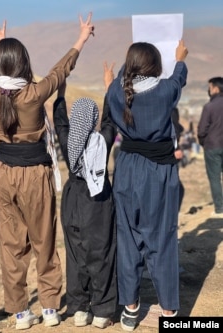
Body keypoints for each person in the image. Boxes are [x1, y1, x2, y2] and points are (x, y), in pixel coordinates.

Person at [0, 14, 94, 330]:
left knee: (11, 246)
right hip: (34, 174)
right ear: (25, 64)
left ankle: (19, 313)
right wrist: (82, 37)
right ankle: (50, 308)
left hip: (4, 173)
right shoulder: (33, 94)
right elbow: (60, 70)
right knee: (44, 240)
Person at [105, 40, 188, 331]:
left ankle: (130, 308)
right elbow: (178, 81)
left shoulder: (115, 90)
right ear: (154, 64)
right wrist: (180, 59)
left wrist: (112, 81)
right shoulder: (164, 90)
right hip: (158, 171)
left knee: (127, 238)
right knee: (162, 239)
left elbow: (118, 92)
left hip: (126, 168)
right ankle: (168, 311)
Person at [52, 62, 117, 329]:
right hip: (98, 201)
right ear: (92, 121)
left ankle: (79, 309)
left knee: (76, 255)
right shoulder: (102, 142)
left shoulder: (68, 142)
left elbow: (60, 121)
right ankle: (102, 311)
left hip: (73, 201)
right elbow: (111, 120)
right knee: (101, 253)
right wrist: (109, 86)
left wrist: (61, 92)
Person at [197, 77, 223, 217]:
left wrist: (203, 142)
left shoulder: (209, 106)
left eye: (210, 87)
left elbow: (202, 129)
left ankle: (219, 209)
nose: (209, 90)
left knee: (214, 178)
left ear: (216, 88)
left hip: (212, 146)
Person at [172, 107, 185, 211]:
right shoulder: (170, 107)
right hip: (169, 152)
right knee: (176, 189)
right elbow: (174, 129)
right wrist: (176, 148)